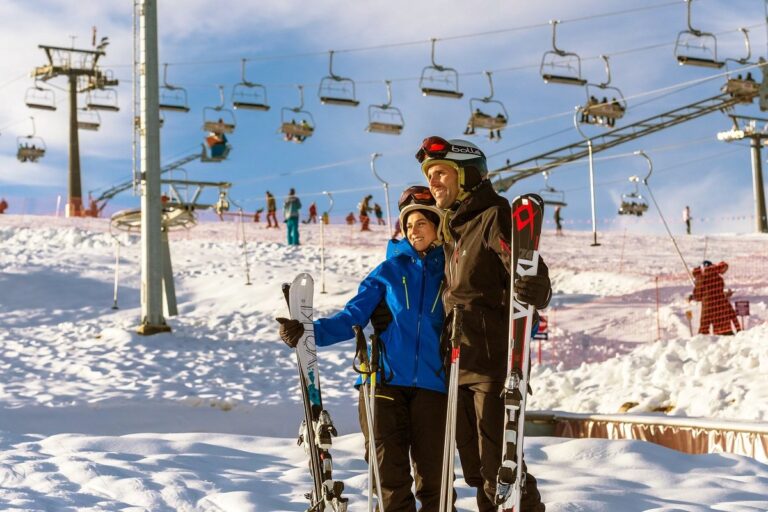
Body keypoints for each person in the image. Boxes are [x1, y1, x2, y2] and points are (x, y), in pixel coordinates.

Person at [277, 187, 449, 511]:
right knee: (389, 477)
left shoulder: (449, 273)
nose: (413, 231)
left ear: (438, 226)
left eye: (422, 223)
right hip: (383, 384)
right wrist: (308, 332)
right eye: (408, 225)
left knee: (436, 482)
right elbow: (351, 318)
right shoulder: (388, 272)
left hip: (432, 385)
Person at [417, 136, 550, 512]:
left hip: (491, 361)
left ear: (467, 174)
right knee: (476, 470)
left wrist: (537, 286)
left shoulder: (493, 216)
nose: (435, 182)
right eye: (430, 176)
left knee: (498, 465)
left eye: (441, 173)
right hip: (458, 361)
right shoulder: (453, 232)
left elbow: (523, 264)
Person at [689, 260, 742, 335]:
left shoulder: (701, 278)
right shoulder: (719, 278)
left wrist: (697, 285)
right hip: (720, 306)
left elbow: (698, 297)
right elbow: (718, 291)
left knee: (703, 333)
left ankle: (702, 343)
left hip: (707, 307)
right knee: (723, 332)